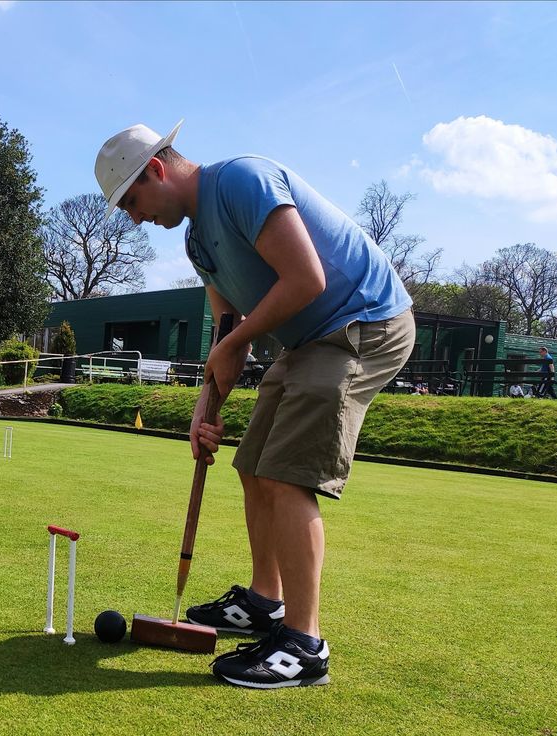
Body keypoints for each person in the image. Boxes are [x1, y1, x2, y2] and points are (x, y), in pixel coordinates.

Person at [96, 121, 415, 689]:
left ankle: (303, 645)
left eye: (132, 201)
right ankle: (266, 603)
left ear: (156, 169)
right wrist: (205, 406)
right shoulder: (197, 243)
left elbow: (306, 278)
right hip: (304, 339)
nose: (135, 217)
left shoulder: (242, 181)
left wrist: (236, 344)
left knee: (288, 477)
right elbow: (227, 329)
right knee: (253, 468)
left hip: (362, 321)